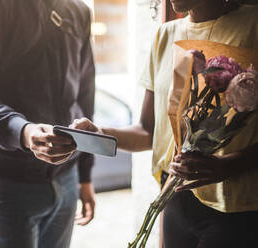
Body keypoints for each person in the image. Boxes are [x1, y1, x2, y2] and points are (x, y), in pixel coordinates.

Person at [71, 0, 258, 247]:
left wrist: (228, 165)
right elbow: (147, 132)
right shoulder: (165, 34)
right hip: (175, 198)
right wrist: (99, 132)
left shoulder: (252, 24)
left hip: (237, 208)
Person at [0, 0, 96, 247]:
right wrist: (24, 131)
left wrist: (85, 175)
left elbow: (84, 93)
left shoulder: (78, 10)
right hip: (5, 184)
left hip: (67, 179)